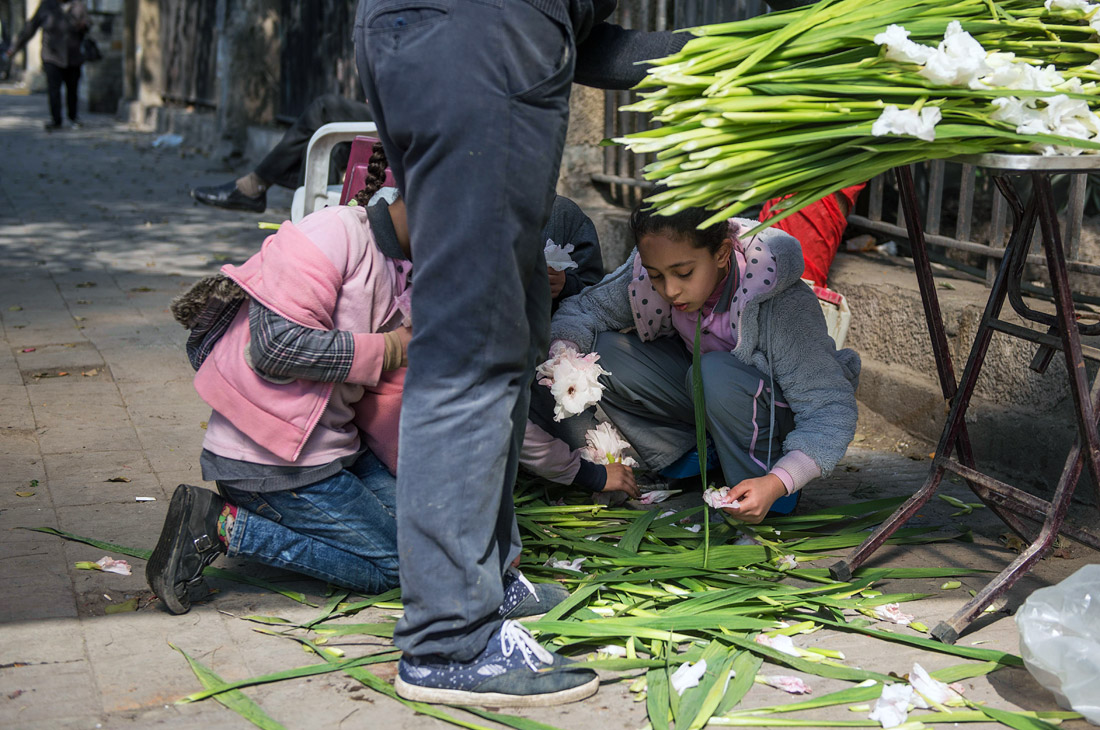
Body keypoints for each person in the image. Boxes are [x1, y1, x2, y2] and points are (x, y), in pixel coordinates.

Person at [548, 201, 861, 523]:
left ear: (723, 253)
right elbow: (585, 310)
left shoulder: (777, 302)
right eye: (656, 275)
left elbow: (830, 409)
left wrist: (781, 480)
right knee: (603, 352)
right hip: (711, 395)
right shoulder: (649, 274)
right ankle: (696, 458)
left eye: (684, 273)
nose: (669, 290)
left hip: (772, 421)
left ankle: (758, 488)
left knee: (715, 371)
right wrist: (563, 356)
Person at [190, 94, 373, 213]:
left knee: (324, 108)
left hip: (397, 122)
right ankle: (308, 241)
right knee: (326, 150)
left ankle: (256, 185)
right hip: (389, 118)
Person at [4, 0, 88, 131]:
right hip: (52, 56)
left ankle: (73, 117)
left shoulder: (78, 6)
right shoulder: (46, 6)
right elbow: (30, 29)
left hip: (73, 56)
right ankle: (56, 120)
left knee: (72, 89)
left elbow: (88, 25)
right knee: (54, 89)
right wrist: (14, 48)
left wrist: (83, 26)